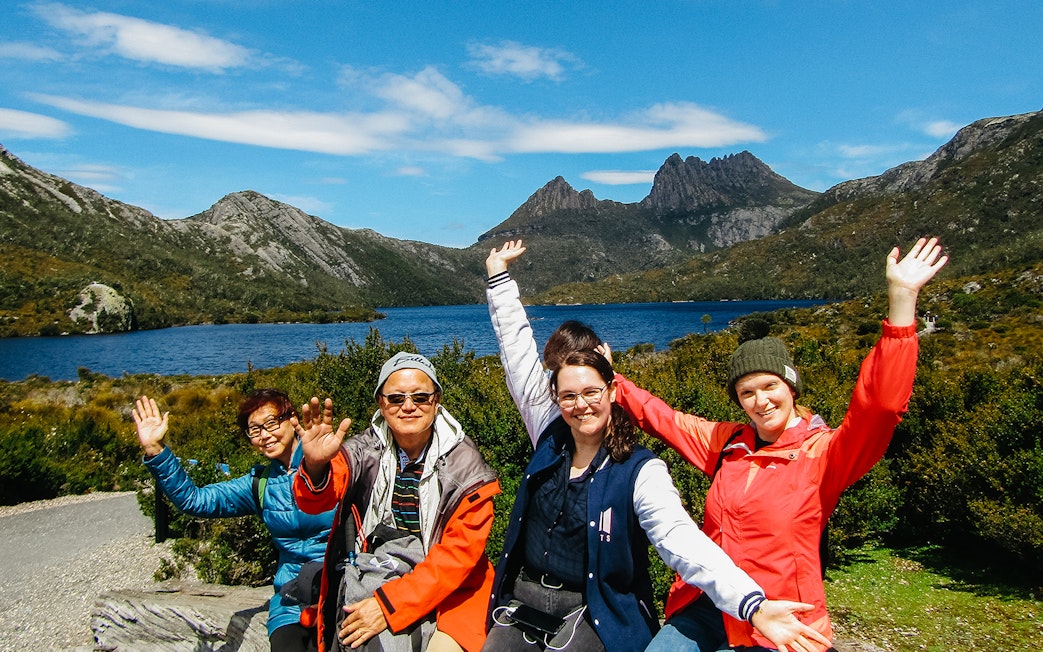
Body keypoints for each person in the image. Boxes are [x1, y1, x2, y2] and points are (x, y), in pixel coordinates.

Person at [483, 241, 831, 652]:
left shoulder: (638, 471)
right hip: (524, 600)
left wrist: (751, 605)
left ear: (614, 391)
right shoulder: (549, 432)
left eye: (593, 391)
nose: (581, 405)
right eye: (568, 395)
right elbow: (517, 354)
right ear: (554, 397)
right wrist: (498, 278)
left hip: (594, 610)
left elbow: (680, 540)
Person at [606, 236, 949, 651]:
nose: (760, 400)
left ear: (791, 386)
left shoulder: (823, 454)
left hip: (785, 617)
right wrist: (612, 380)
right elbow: (662, 419)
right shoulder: (727, 443)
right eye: (746, 392)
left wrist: (901, 304)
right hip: (712, 607)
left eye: (770, 386)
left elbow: (880, 407)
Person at [292, 352, 501, 652]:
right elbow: (317, 497)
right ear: (381, 403)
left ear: (437, 400)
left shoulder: (465, 468)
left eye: (420, 397)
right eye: (396, 398)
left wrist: (389, 606)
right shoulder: (365, 451)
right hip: (381, 573)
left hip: (453, 592)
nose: (408, 406)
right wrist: (314, 467)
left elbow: (457, 559)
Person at [132, 389, 335, 652]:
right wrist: (155, 450)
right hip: (292, 597)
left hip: (340, 586)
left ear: (292, 419)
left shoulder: (333, 464)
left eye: (271, 423)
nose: (265, 435)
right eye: (254, 430)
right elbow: (196, 500)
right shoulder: (260, 485)